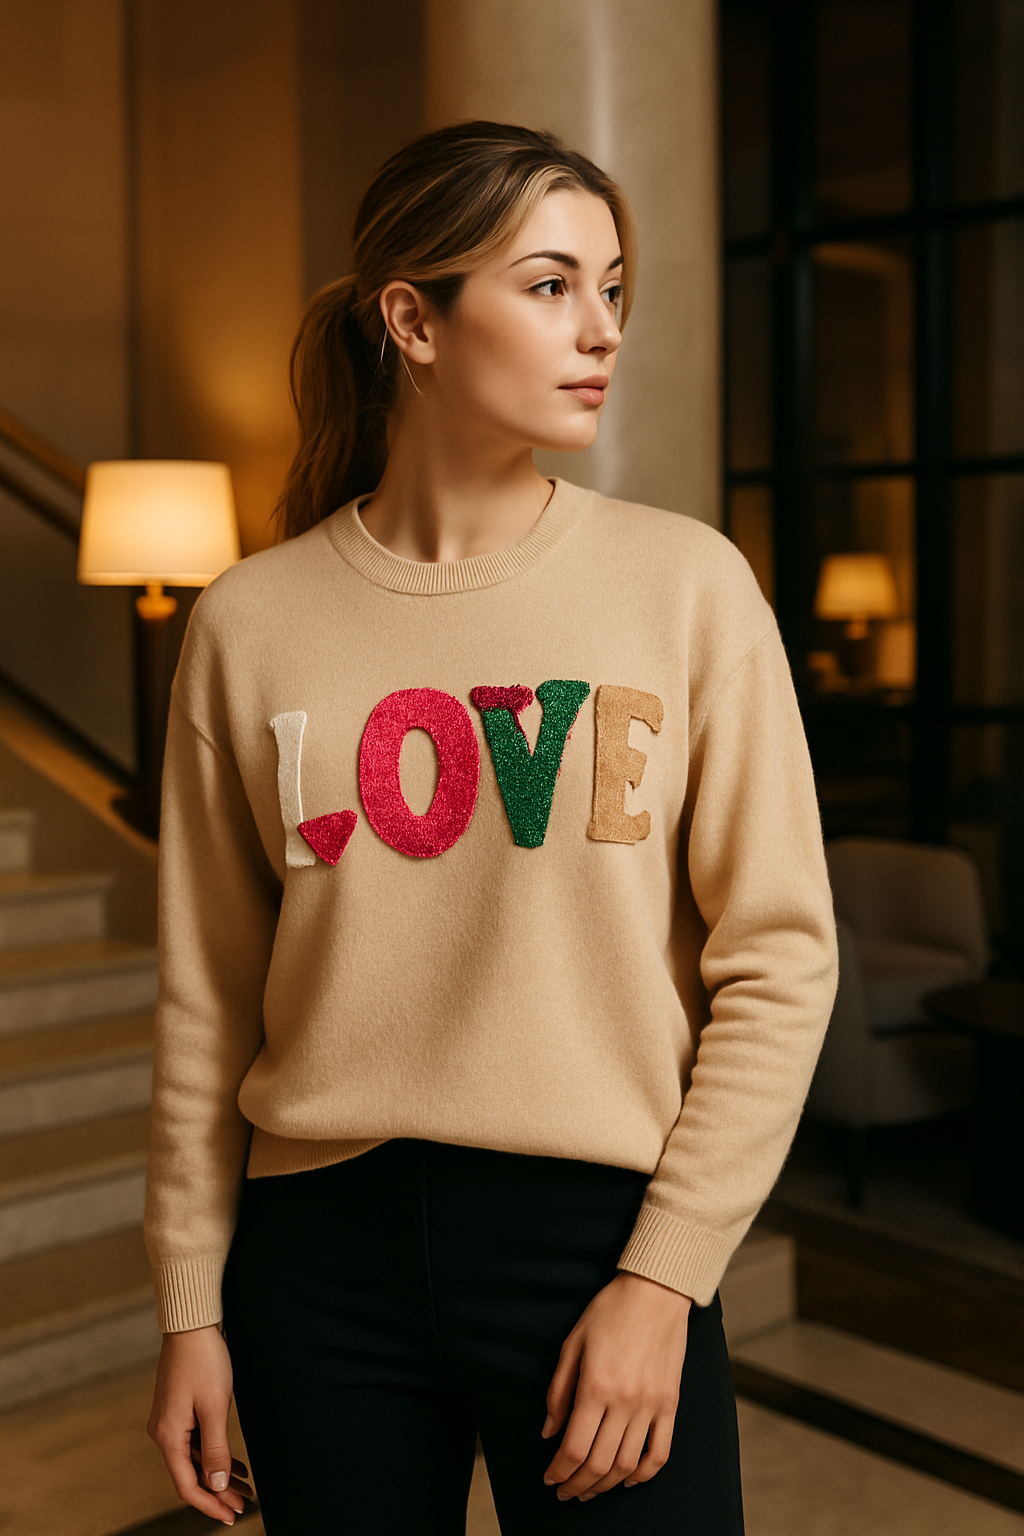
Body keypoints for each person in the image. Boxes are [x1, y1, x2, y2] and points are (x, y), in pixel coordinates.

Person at [144, 120, 839, 1534]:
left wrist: (666, 1277)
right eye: (549, 285)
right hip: (315, 1262)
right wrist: (190, 1304)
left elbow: (779, 962)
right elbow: (208, 1000)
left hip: (599, 1244)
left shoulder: (687, 586)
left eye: (614, 286)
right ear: (412, 317)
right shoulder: (251, 619)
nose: (602, 330)